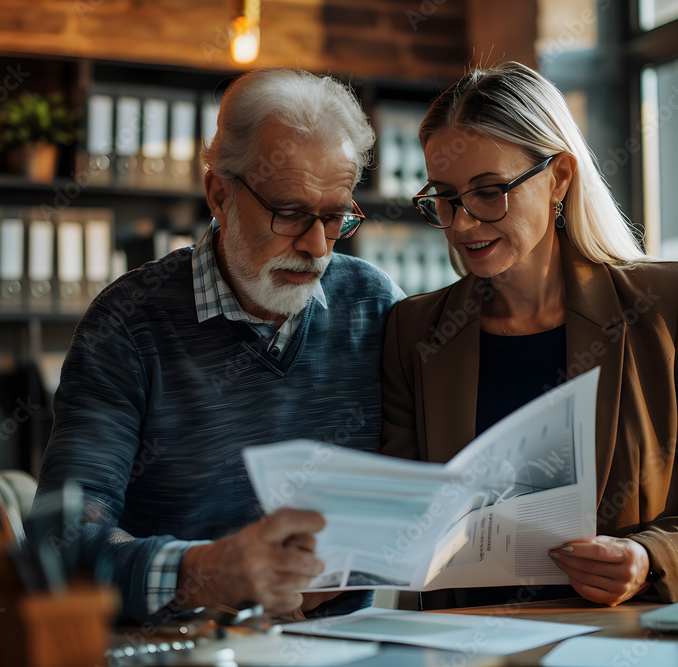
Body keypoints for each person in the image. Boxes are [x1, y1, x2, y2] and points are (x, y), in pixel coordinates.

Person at [380, 62, 678, 609]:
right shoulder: (414, 331)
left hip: (620, 639)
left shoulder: (666, 304)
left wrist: (651, 557)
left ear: (560, 178)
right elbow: (404, 520)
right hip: (462, 641)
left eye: (488, 191)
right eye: (446, 197)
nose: (463, 224)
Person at [33, 67, 404, 624]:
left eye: (336, 217)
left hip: (342, 651)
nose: (317, 247)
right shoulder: (127, 326)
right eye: (290, 214)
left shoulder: (373, 305)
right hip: (180, 654)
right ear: (219, 194)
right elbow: (59, 546)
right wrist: (208, 572)